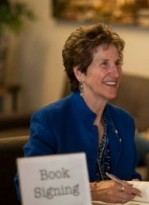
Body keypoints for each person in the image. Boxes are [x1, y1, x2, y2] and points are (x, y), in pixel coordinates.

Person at [14, 23, 141, 204]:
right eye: (104, 64)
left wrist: (136, 187)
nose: (116, 73)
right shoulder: (50, 119)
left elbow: (131, 176)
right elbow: (28, 188)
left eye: (117, 63)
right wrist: (93, 191)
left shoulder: (124, 121)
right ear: (80, 73)